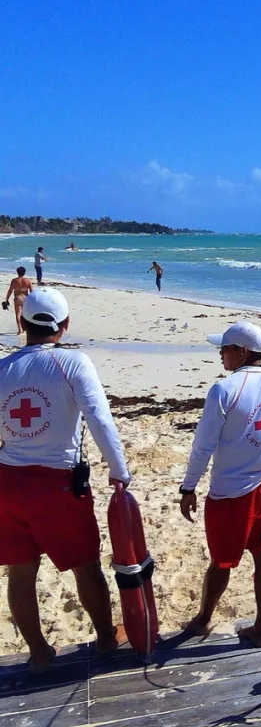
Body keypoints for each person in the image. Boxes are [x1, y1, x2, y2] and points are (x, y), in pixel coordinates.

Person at [0, 288, 131, 672]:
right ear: (66, 324)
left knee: (19, 572)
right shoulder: (73, 363)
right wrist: (119, 471)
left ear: (22, 323)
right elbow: (99, 418)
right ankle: (107, 638)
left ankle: (39, 654)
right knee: (85, 565)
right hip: (58, 485)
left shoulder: (4, 368)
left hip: (7, 482)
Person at [180, 321, 261, 647]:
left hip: (232, 492)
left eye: (225, 348)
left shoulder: (224, 389)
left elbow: (203, 447)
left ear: (242, 352)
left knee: (221, 561)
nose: (220, 354)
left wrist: (188, 487)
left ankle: (203, 619)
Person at [4, 267, 34, 334]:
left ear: (17, 272)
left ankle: (20, 329)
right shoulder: (28, 281)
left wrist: (7, 299)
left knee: (18, 314)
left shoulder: (14, 281)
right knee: (25, 314)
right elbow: (32, 292)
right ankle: (25, 328)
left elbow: (10, 290)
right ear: (24, 272)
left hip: (17, 299)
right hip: (26, 299)